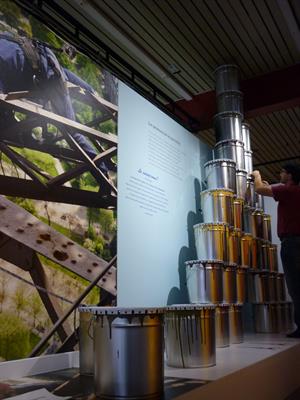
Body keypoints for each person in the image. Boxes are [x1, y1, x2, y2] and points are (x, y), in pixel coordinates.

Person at [0, 31, 108, 175]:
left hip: (49, 77)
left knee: (71, 130)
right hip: (44, 63)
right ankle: (93, 93)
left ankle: (102, 171)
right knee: (65, 78)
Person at [252, 164, 300, 338]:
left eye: (282, 172)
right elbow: (267, 189)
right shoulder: (293, 192)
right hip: (296, 242)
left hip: (292, 243)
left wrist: (256, 174)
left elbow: (258, 189)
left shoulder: (288, 190)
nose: (280, 174)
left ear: (290, 175)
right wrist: (267, 186)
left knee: (295, 286)